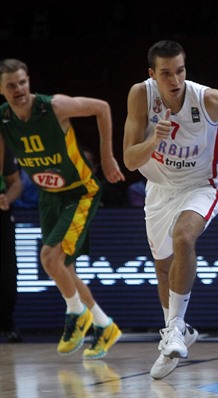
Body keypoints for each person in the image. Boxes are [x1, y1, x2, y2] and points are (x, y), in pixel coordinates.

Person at [122, 40, 218, 380]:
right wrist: (153, 142)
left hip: (201, 187)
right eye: (166, 73)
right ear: (152, 75)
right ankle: (177, 331)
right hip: (159, 190)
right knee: (163, 268)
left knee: (184, 237)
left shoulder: (207, 100)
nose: (174, 79)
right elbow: (131, 160)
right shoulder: (140, 96)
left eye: (180, 71)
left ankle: (174, 330)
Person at [0, 58, 125, 358]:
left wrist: (107, 157)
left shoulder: (53, 106)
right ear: (1, 89)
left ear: (28, 80)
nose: (18, 89)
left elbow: (102, 107)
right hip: (49, 196)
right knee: (63, 267)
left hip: (80, 192)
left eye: (22, 82)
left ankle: (76, 313)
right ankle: (103, 324)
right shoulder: (4, 119)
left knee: (48, 257)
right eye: (10, 85)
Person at [0, 146, 23, 343]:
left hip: (1, 214)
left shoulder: (4, 148)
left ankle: (7, 322)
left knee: (8, 273)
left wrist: (7, 197)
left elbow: (16, 183)